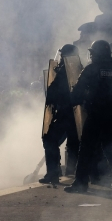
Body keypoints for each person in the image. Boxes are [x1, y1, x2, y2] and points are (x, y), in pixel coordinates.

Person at [65, 40, 112, 193]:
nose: (90, 56)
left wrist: (73, 100)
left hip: (96, 114)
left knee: (86, 148)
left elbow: (77, 92)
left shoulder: (91, 69)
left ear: (95, 54)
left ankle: (81, 183)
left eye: (91, 53)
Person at [39, 44, 81, 184]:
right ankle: (78, 173)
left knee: (50, 139)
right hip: (77, 114)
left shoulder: (65, 72)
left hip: (66, 113)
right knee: (76, 143)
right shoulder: (80, 69)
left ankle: (53, 173)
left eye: (63, 55)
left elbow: (53, 92)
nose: (61, 57)